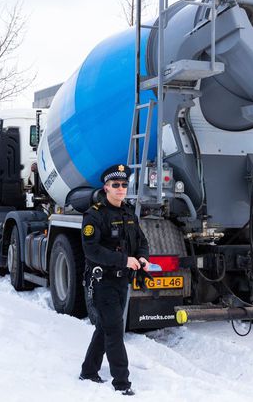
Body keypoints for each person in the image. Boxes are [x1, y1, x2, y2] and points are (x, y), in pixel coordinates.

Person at [79, 164, 149, 396]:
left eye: (124, 185)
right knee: (115, 331)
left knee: (106, 327)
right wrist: (123, 260)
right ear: (106, 187)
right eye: (116, 185)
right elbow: (92, 251)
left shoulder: (128, 213)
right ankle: (122, 383)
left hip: (122, 282)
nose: (121, 189)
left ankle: (89, 370)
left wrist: (142, 258)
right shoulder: (94, 215)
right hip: (103, 282)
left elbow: (141, 241)